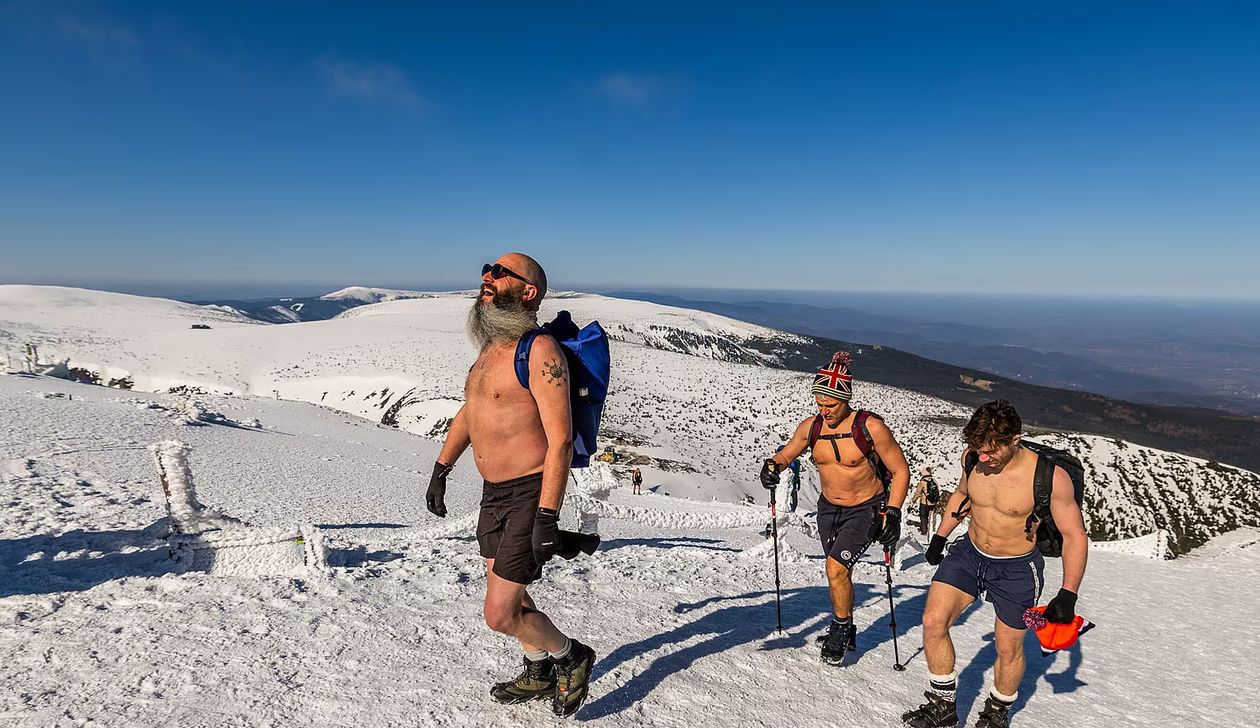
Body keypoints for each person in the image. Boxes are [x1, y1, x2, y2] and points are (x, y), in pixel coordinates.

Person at [424, 253, 596, 717]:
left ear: (528, 292)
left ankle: (570, 656)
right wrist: (442, 468)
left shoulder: (539, 352)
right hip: (492, 492)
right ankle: (538, 667)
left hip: (528, 491)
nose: (487, 276)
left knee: (499, 614)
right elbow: (472, 410)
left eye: (500, 272)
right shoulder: (491, 347)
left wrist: (546, 516)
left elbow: (559, 440)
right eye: (486, 268)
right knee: (513, 594)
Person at [903, 400, 1088, 728]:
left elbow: (1074, 535)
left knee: (1008, 646)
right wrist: (940, 538)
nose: (983, 458)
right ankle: (943, 707)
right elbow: (963, 493)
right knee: (933, 621)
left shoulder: (1049, 478)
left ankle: (996, 712)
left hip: (1017, 568)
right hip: (970, 554)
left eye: (990, 452)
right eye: (978, 450)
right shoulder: (972, 457)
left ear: (1014, 440)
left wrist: (1068, 593)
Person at [760, 351, 910, 666]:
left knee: (835, 568)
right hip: (828, 509)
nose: (824, 410)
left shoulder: (870, 428)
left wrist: (893, 512)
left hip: (866, 508)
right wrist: (772, 466)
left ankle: (840, 629)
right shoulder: (811, 427)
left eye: (831, 404)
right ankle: (847, 623)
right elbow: (787, 454)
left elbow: (900, 471)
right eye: (819, 403)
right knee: (839, 571)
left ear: (845, 399)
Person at [911, 467, 940, 536]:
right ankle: (931, 529)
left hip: (925, 502)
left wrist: (913, 500)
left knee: (923, 516)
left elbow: (918, 492)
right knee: (931, 517)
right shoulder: (934, 480)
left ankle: (924, 530)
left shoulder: (923, 482)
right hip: (933, 502)